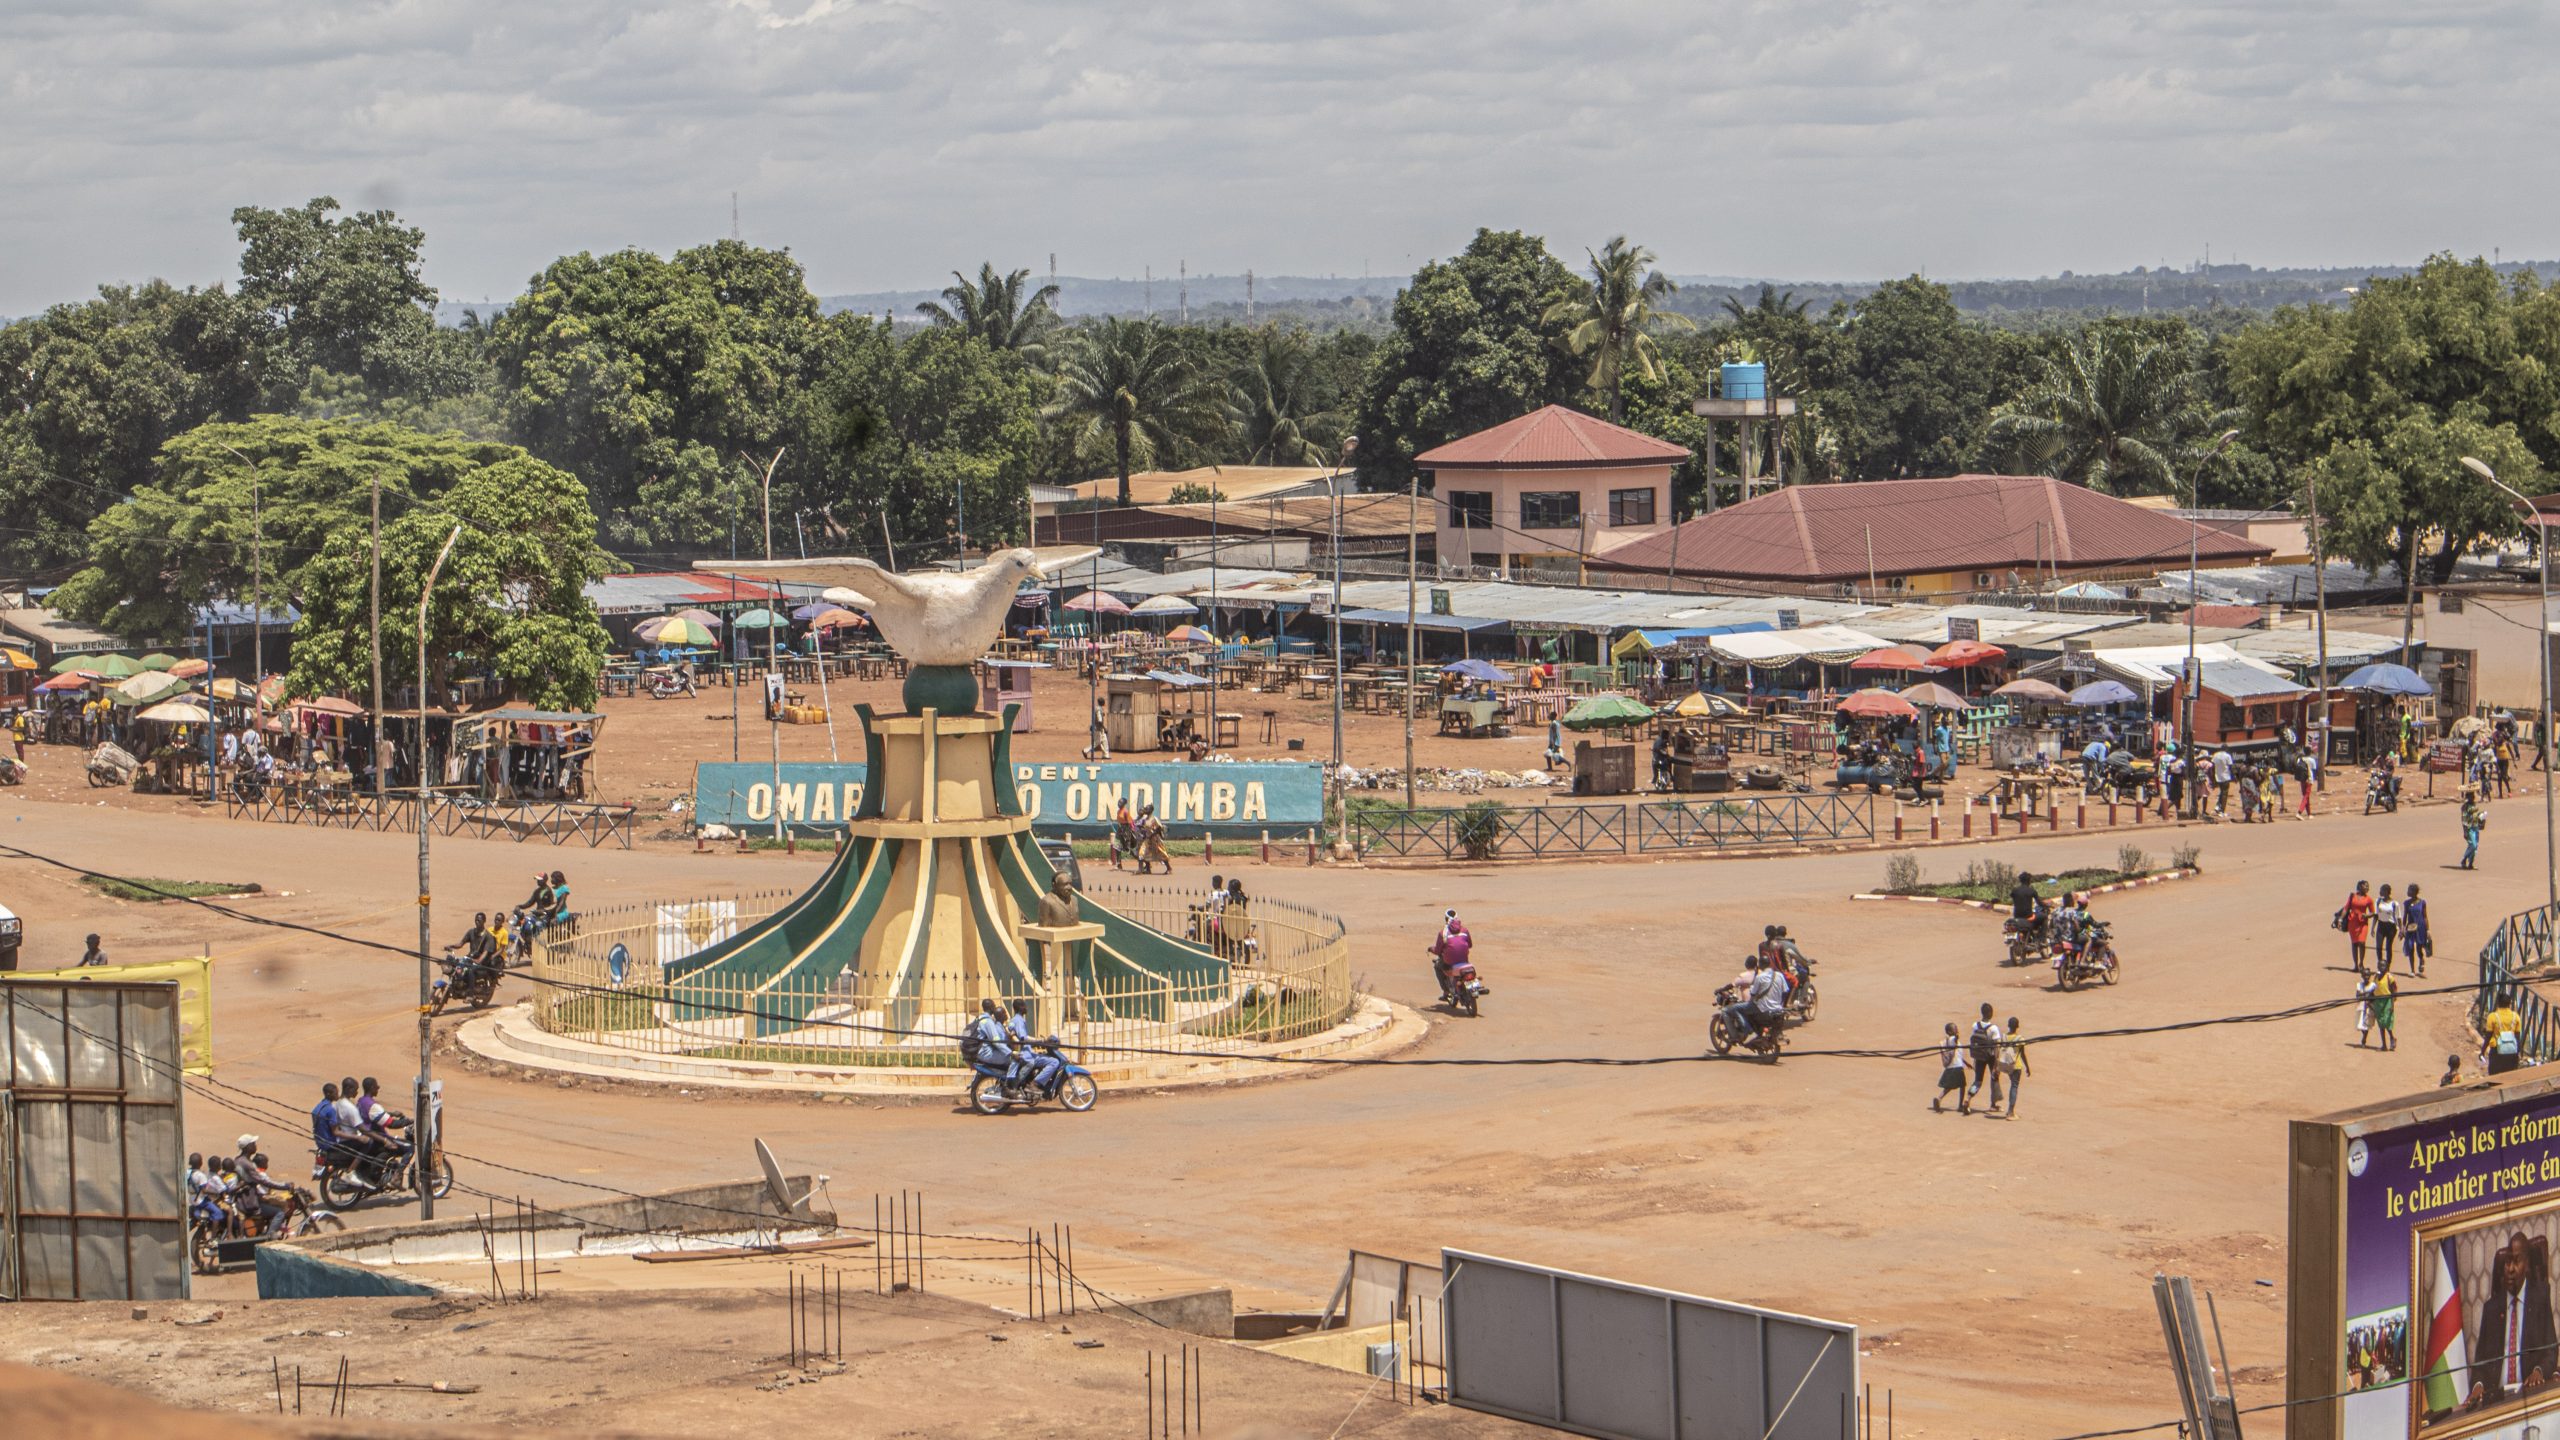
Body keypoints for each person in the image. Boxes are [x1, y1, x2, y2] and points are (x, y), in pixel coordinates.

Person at [2467, 1232, 2558, 1407]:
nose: (2510, 1269)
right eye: (2507, 1262)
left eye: (2517, 1261)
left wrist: (2538, 1371)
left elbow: (2551, 1350)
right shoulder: (2491, 1308)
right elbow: (2480, 1363)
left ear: (2528, 1265)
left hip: (2529, 1394)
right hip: (2496, 1400)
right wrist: (2478, 1386)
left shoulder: (2540, 1298)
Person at [1006, 999, 1062, 1092]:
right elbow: (1023, 1038)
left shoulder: (1015, 1020)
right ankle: (1035, 1084)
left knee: (1045, 1056)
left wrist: (1038, 1043)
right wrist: (1041, 1040)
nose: (1026, 1008)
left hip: (1026, 1052)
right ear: (1021, 1008)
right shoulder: (1018, 1020)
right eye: (1024, 1006)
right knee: (1054, 1062)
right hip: (1025, 1055)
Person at [1962, 1003, 2003, 1115]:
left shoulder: (1975, 1025)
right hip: (1990, 1057)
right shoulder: (1993, 1028)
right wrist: (1996, 1064)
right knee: (1994, 1079)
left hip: (1979, 1056)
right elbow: (1997, 1047)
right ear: (1991, 1013)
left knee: (1978, 1081)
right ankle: (1993, 1105)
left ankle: (1968, 1098)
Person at [966, 998, 1014, 1081]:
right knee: (1013, 1060)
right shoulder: (988, 1022)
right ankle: (1009, 1085)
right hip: (986, 1053)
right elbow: (996, 1041)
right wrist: (1011, 1053)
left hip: (980, 1052)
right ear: (991, 1007)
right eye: (994, 1006)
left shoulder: (979, 1018)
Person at [1430, 911, 1472, 1001]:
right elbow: (1470, 945)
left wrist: (1431, 949)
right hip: (1464, 960)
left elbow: (1438, 951)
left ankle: (1446, 991)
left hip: (1450, 962)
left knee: (1438, 967)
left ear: (1446, 919)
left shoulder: (1443, 934)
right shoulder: (1465, 930)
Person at [2482, 992, 2527, 1075]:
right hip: (2512, 1051)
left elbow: (2488, 1036)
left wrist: (2483, 1050)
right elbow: (2517, 1036)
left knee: (2494, 1076)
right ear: (2509, 1004)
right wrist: (2519, 1052)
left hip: (2496, 1051)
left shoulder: (2492, 1016)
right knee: (2510, 1076)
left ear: (2498, 1003)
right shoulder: (2515, 1016)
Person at [2339, 881, 2375, 975]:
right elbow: (2346, 908)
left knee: (2362, 943)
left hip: (2363, 923)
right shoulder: (2352, 896)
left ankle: (2361, 963)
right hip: (2352, 923)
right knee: (2354, 943)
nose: (2367, 887)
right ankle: (2355, 965)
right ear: (2359, 886)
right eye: (2365, 886)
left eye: (2368, 886)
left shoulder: (2369, 899)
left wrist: (2366, 916)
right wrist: (2340, 919)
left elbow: (2372, 912)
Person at [1997, 1017, 2029, 1118]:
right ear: (2017, 1026)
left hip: (2006, 1064)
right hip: (2016, 1065)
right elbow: (2022, 1054)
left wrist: (1996, 1066)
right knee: (2014, 1086)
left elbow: (1999, 1051)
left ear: (2008, 1025)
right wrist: (2027, 1067)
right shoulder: (2020, 1039)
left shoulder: (2003, 1037)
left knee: (2012, 1084)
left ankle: (2010, 1110)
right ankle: (2011, 1111)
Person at [1932, 1023, 1965, 1113]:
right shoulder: (1953, 1040)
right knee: (1962, 1086)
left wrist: (1966, 1062)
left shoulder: (1948, 1041)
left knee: (1950, 1086)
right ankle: (1960, 1105)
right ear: (1949, 1031)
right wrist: (1957, 1037)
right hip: (1957, 1066)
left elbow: (1958, 1054)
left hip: (1952, 1066)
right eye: (1955, 1028)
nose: (1957, 1029)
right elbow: (1955, 1039)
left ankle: (1939, 1098)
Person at [2403, 884, 2432, 978]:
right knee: (2410, 947)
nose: (2408, 892)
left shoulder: (2422, 902)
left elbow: (2425, 916)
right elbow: (2405, 917)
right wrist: (2403, 928)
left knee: (2419, 947)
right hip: (2410, 927)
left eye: (2410, 890)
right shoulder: (2406, 903)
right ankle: (2412, 970)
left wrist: (2428, 930)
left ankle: (2421, 960)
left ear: (2414, 892)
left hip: (2420, 927)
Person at [2372, 962, 2399, 1052]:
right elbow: (2374, 988)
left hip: (2387, 1001)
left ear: (2387, 967)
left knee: (2387, 1021)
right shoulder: (2376, 976)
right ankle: (2384, 1045)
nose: (2381, 967)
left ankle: (2392, 1037)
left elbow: (2393, 991)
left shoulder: (2389, 977)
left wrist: (2392, 1004)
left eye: (2383, 965)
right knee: (2380, 1023)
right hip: (2377, 1002)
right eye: (2379, 965)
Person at [2373, 884, 2400, 969]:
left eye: (2381, 890)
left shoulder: (2394, 904)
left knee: (2388, 947)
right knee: (2378, 946)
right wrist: (2373, 928)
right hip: (2381, 926)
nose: (2380, 892)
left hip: (2391, 927)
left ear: (2386, 892)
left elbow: (2398, 917)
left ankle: (2387, 965)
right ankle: (2380, 965)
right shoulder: (2378, 901)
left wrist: (2401, 929)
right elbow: (2376, 915)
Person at [2461, 788, 2488, 869]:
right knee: (2472, 845)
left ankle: (2470, 863)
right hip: (2469, 828)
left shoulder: (2474, 804)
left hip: (2475, 827)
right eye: (2470, 796)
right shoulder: (2465, 806)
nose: (2472, 797)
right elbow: (2464, 819)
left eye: (2473, 796)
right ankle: (2464, 859)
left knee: (2475, 847)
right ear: (2467, 797)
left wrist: (2481, 815)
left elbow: (2475, 814)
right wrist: (2465, 831)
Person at [2211, 747, 2234, 818]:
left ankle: (2217, 807)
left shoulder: (2216, 755)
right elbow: (2230, 766)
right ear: (2226, 749)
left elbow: (2213, 765)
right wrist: (2233, 776)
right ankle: (2222, 811)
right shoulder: (2227, 756)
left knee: (2221, 792)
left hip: (2218, 776)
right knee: (2225, 794)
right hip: (2226, 777)